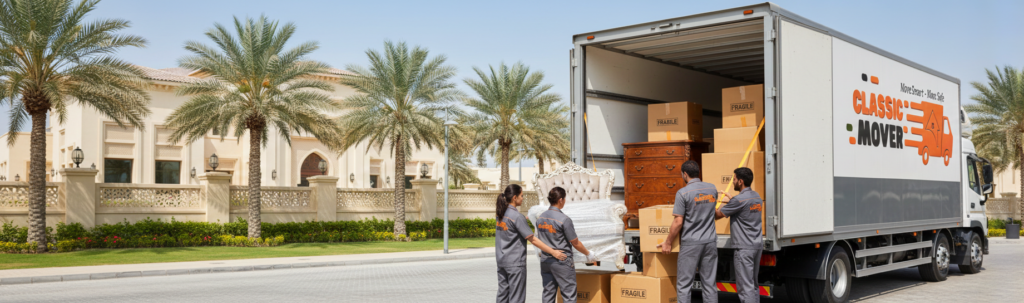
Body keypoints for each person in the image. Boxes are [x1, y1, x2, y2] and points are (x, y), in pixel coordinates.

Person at [657, 160, 719, 303]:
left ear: (685, 174)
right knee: (709, 284)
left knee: (684, 285)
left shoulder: (683, 193)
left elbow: (678, 221)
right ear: (698, 173)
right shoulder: (712, 189)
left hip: (691, 243)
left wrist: (668, 242)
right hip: (710, 242)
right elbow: (712, 212)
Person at [495, 184, 567, 303]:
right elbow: (533, 239)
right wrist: (553, 252)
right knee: (516, 297)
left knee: (502, 295)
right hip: (515, 264)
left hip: (501, 261)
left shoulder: (500, 214)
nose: (523, 198)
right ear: (514, 197)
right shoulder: (517, 217)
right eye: (521, 196)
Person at [535, 186, 598, 303]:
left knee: (548, 294)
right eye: (564, 199)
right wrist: (588, 254)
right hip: (562, 261)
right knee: (569, 295)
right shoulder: (564, 219)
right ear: (560, 200)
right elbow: (575, 242)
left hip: (545, 261)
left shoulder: (540, 218)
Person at [715, 168, 763, 303]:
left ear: (740, 181)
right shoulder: (756, 197)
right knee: (753, 284)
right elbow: (744, 210)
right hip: (756, 246)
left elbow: (718, 215)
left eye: (734, 179)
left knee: (744, 287)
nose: (733, 182)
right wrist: (732, 199)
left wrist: (707, 204)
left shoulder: (739, 200)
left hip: (744, 249)